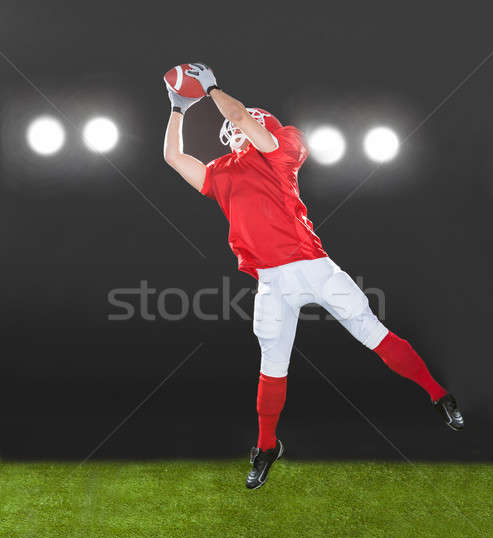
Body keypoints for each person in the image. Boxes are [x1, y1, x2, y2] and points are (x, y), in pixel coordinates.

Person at [163, 63, 464, 490]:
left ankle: (438, 394)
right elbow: (173, 157)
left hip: (312, 267)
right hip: (270, 281)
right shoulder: (223, 171)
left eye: (246, 122)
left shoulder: (284, 144)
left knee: (371, 332)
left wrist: (210, 89)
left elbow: (241, 118)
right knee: (272, 367)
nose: (236, 130)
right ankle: (268, 446)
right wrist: (178, 108)